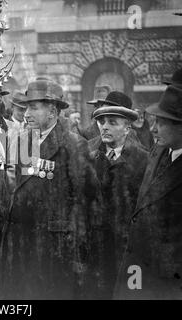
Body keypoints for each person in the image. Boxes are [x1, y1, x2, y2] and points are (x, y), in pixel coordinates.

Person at [0, 79, 101, 299]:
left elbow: (87, 201)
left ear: (52, 111)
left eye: (33, 108)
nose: (26, 114)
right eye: (25, 108)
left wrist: (80, 251)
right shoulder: (22, 141)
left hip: (55, 245)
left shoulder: (73, 145)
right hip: (22, 240)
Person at [114, 85, 182, 299]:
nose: (153, 129)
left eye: (161, 123)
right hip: (138, 267)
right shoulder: (160, 151)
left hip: (166, 279)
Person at [88, 91, 148, 299]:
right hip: (91, 248)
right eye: (102, 121)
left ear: (127, 127)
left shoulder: (143, 161)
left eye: (112, 122)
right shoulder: (87, 154)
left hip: (124, 251)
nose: (104, 126)